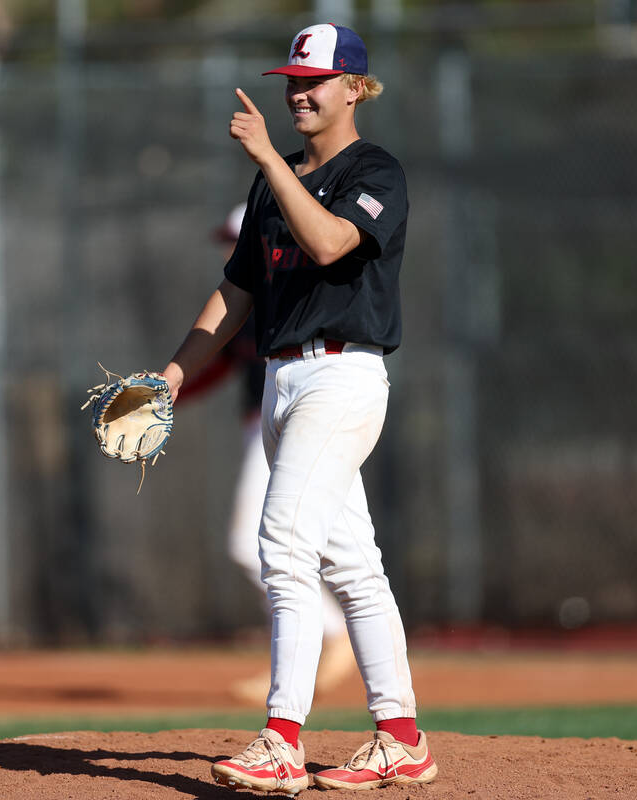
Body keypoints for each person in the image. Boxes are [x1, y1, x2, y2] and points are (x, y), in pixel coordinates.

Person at [160, 23, 437, 794]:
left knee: (282, 545)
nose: (299, 92)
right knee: (352, 567)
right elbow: (237, 292)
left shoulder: (375, 170)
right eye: (292, 79)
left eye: (315, 79)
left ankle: (281, 739)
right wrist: (174, 375)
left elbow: (327, 244)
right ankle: (401, 737)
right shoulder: (272, 181)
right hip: (283, 386)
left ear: (356, 88)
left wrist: (269, 167)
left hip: (341, 379)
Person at [177, 203, 357, 706]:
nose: (225, 249)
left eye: (233, 240)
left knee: (249, 543)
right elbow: (224, 363)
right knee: (316, 542)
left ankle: (331, 636)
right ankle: (303, 658)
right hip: (263, 427)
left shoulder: (280, 296)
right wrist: (168, 392)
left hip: (289, 425)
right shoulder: (249, 298)